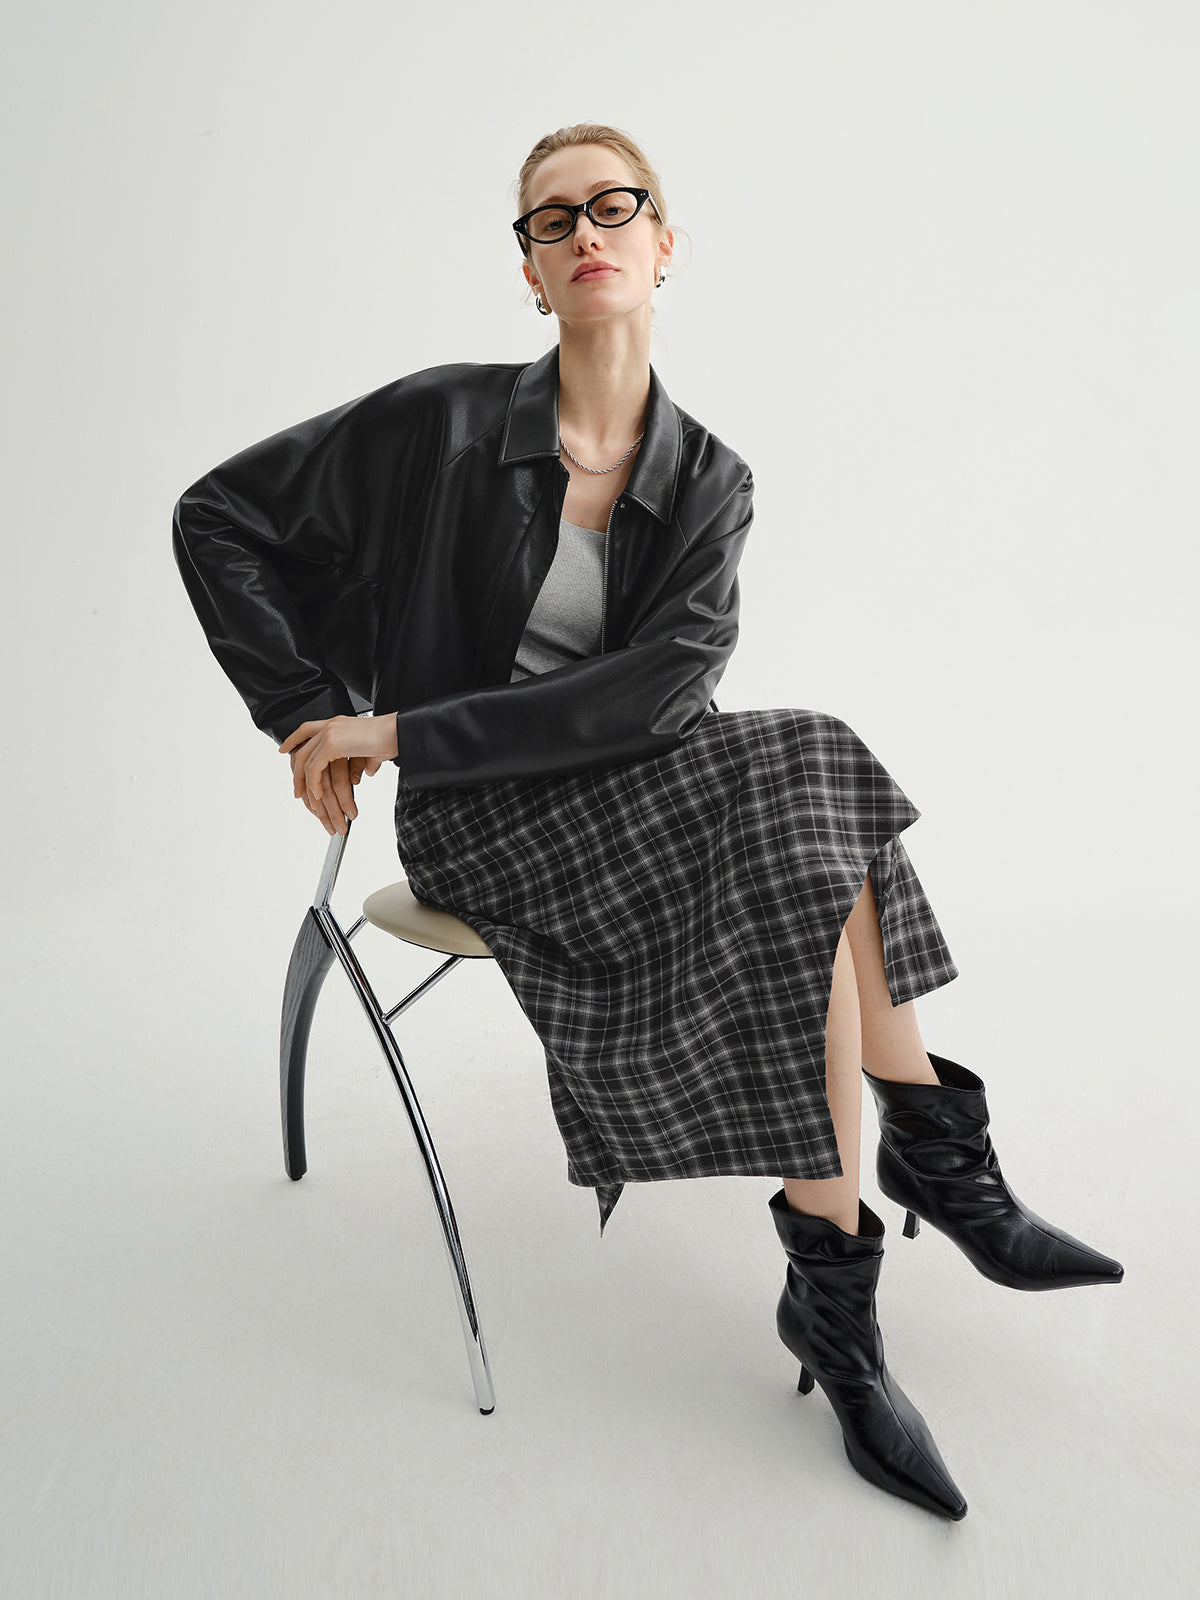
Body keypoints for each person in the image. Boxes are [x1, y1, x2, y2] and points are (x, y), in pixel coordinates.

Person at [172, 121, 1124, 1521]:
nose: (588, 232)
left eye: (617, 207)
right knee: (815, 783)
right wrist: (313, 709)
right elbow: (216, 517)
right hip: (485, 830)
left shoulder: (711, 478)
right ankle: (928, 1177)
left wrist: (401, 719)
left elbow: (665, 698)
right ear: (531, 273)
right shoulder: (438, 421)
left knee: (807, 799)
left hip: (639, 797)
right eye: (553, 221)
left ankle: (842, 1279)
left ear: (665, 245)